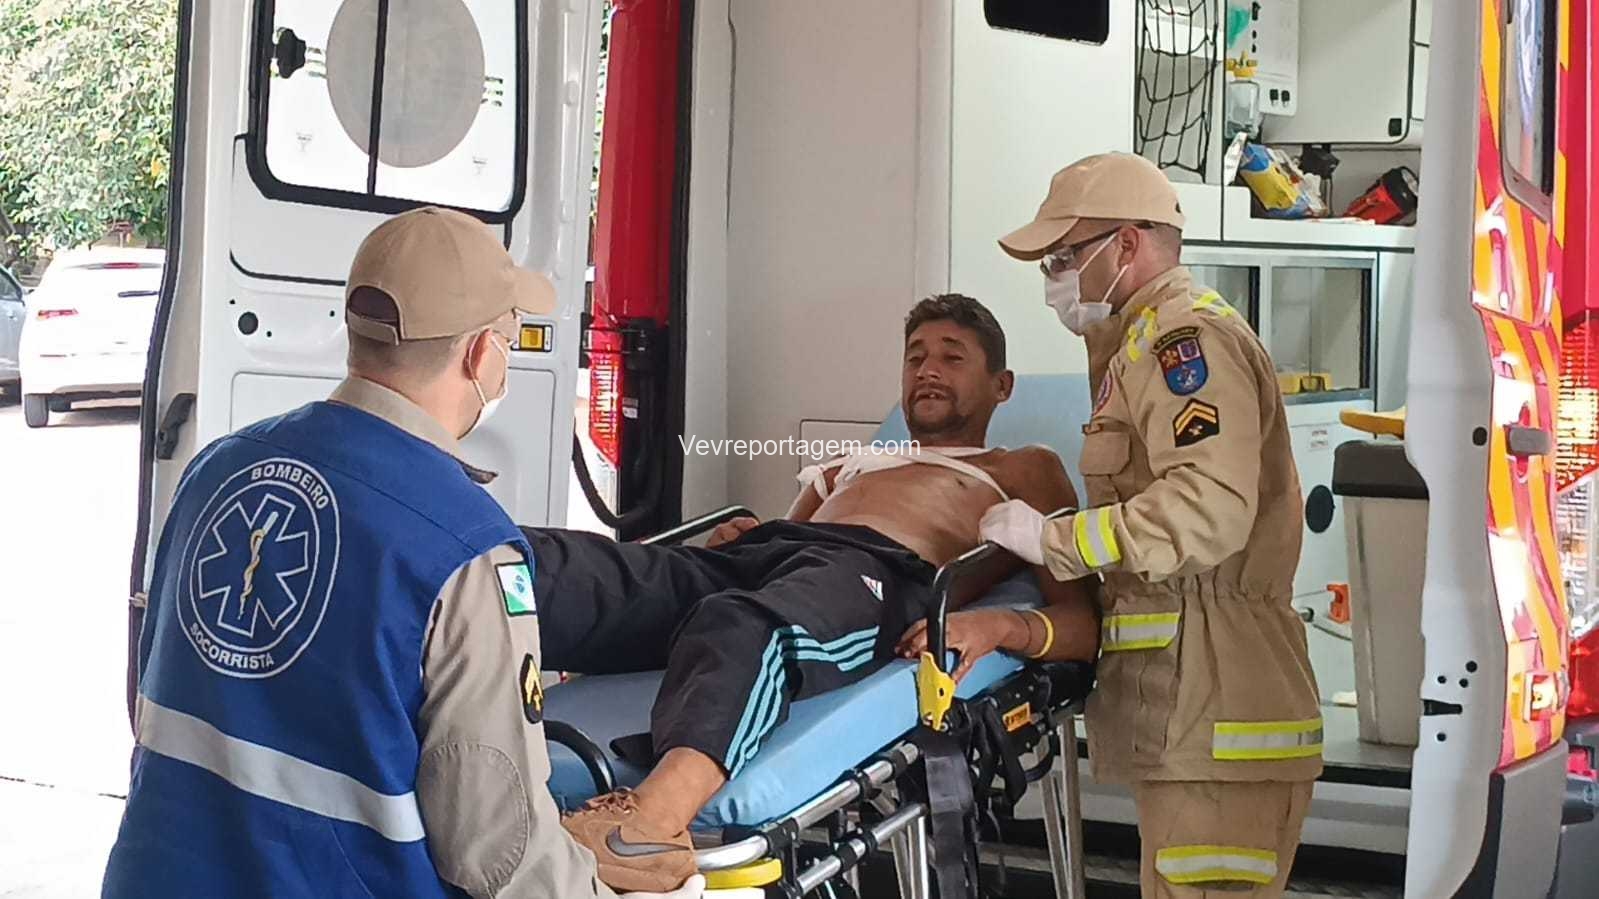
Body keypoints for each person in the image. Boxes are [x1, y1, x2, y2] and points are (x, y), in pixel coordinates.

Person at [101, 206, 701, 899]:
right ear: (481, 355)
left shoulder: (217, 469)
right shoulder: (465, 550)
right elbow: (496, 849)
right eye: (508, 339)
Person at [527, 294, 1100, 892]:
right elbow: (783, 553)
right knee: (569, 564)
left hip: (878, 573)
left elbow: (1083, 625)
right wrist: (739, 539)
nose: (928, 370)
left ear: (1002, 386)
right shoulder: (847, 465)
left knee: (744, 623)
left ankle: (651, 825)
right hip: (768, 557)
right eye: (915, 358)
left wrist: (999, 626)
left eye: (952, 358)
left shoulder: (1022, 468)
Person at [978, 152, 1322, 899]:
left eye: (1063, 258)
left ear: (1125, 244)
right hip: (1194, 712)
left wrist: (1054, 542)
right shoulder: (1133, 347)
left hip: (1219, 710)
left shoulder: (1183, 343)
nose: (1054, 280)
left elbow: (1207, 507)